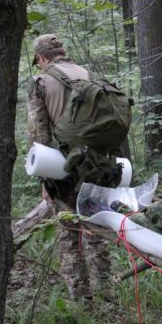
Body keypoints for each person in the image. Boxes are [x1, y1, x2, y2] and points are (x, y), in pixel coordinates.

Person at [27, 33, 113, 302]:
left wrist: (44, 179)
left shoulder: (41, 82)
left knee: (69, 233)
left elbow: (39, 136)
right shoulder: (88, 74)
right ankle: (106, 291)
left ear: (41, 57)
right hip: (97, 165)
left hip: (62, 167)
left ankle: (81, 299)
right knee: (96, 229)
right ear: (62, 52)